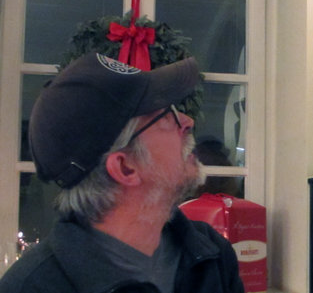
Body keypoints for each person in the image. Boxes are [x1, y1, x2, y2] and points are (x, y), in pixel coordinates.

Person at [0, 52, 244, 293]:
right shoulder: (31, 287)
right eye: (166, 115)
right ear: (125, 168)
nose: (188, 121)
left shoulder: (211, 256)